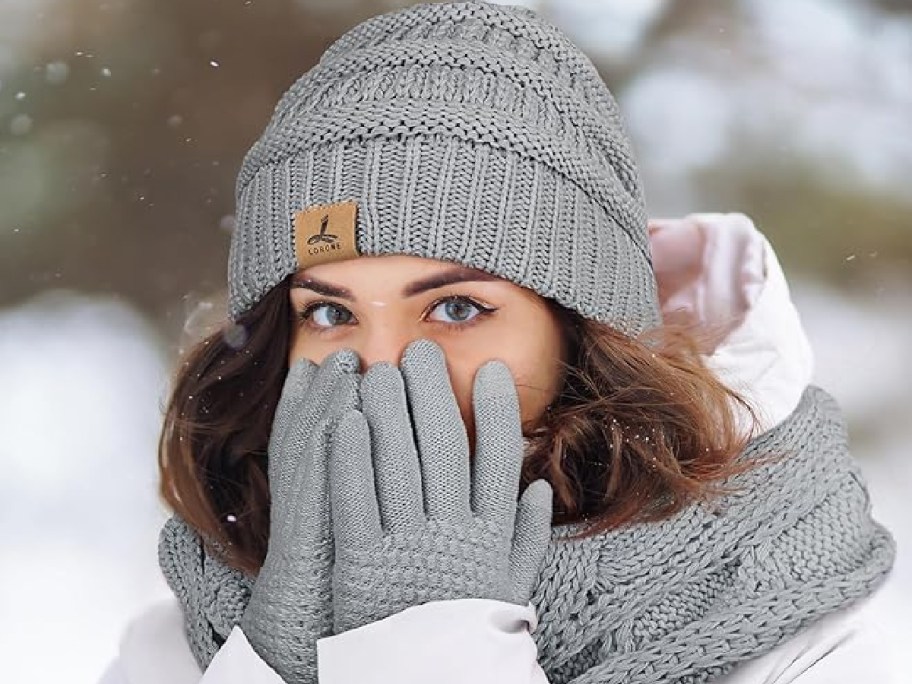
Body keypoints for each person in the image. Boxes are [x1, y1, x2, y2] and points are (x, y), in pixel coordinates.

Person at [99, 2, 897, 683]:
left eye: (455, 308)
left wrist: (426, 647)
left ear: (583, 330)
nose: (383, 369)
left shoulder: (810, 638)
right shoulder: (186, 645)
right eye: (330, 315)